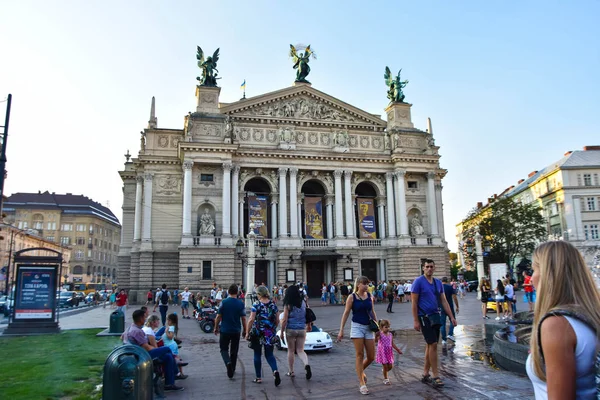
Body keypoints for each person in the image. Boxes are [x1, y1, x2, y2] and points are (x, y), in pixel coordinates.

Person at [527, 240, 600, 399]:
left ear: (548, 273)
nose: (531, 279)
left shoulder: (557, 324)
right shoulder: (589, 315)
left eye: (534, 270)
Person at [411, 259, 456, 388]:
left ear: (434, 268)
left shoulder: (437, 283)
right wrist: (415, 320)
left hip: (435, 316)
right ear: (423, 268)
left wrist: (451, 316)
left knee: (430, 345)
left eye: (431, 266)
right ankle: (435, 375)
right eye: (427, 267)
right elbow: (414, 302)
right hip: (423, 316)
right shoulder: (418, 282)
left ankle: (425, 373)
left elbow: (444, 301)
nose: (429, 269)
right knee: (433, 344)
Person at [338, 276, 378, 395]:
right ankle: (362, 383)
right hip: (357, 327)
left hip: (368, 327)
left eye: (368, 283)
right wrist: (341, 330)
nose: (367, 286)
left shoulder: (370, 296)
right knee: (359, 354)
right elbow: (346, 314)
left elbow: (372, 311)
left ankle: (360, 371)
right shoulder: (352, 297)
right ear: (358, 284)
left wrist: (378, 329)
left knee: (371, 356)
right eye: (365, 283)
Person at [126, 309, 184, 392]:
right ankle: (176, 372)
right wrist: (158, 350)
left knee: (168, 356)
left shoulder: (132, 328)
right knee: (167, 349)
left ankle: (169, 384)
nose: (145, 319)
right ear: (141, 318)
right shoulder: (137, 331)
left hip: (139, 353)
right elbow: (147, 347)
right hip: (143, 355)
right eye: (144, 317)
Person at [245, 285, 281, 386]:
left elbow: (251, 319)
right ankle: (275, 371)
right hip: (269, 333)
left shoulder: (256, 304)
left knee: (257, 354)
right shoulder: (273, 305)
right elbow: (277, 319)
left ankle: (258, 377)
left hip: (258, 333)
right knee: (269, 354)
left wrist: (247, 332)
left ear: (259, 294)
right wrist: (273, 328)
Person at [214, 284, 247, 379]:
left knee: (223, 349)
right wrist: (245, 330)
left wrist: (216, 327)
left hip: (225, 329)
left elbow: (218, 317)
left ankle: (227, 362)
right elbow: (244, 319)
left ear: (228, 291)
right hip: (236, 330)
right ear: (237, 292)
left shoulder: (224, 302)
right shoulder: (240, 303)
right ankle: (233, 368)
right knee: (234, 350)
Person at [280, 284, 312, 380]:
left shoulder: (288, 304)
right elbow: (308, 314)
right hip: (302, 329)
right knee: (301, 350)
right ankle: (306, 364)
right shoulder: (303, 302)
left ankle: (291, 371)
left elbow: (285, 319)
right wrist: (309, 325)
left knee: (290, 350)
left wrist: (281, 332)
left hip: (291, 329)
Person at [375, 319, 403, 385]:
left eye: (388, 327)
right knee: (385, 366)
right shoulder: (380, 334)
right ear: (381, 327)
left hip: (389, 352)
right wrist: (376, 337)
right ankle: (386, 379)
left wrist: (398, 350)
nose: (387, 328)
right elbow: (375, 341)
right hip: (382, 352)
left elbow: (392, 343)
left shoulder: (390, 334)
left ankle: (384, 371)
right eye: (386, 327)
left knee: (390, 366)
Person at [440, 277, 459, 345]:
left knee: (442, 324)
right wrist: (457, 306)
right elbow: (454, 297)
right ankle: (450, 334)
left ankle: (444, 340)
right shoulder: (450, 287)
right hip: (450, 307)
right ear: (447, 281)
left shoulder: (439, 287)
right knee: (452, 320)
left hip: (441, 307)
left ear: (441, 281)